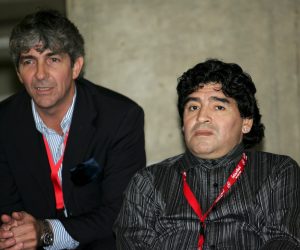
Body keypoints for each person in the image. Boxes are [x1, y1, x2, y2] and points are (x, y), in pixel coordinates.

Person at [114, 59, 300, 249]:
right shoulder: (148, 181)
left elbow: (284, 240)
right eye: (193, 107)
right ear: (183, 125)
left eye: (218, 107)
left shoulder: (276, 172)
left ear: (246, 122)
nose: (201, 117)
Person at [0, 9, 146, 250]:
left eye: (53, 59)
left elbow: (120, 212)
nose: (40, 74)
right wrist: (14, 231)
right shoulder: (4, 123)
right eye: (29, 61)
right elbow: (7, 208)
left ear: (76, 66)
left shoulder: (120, 118)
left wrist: (45, 231)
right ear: (18, 73)